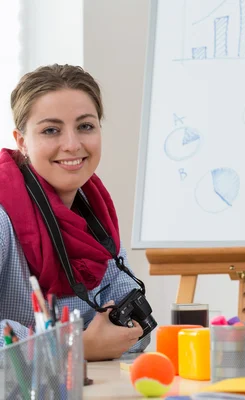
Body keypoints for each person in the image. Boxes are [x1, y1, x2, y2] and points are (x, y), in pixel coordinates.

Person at [0, 64, 150, 361]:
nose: (72, 145)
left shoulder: (95, 211)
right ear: (21, 141)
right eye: (51, 130)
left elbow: (135, 332)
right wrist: (71, 346)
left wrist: (98, 342)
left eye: (85, 126)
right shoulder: (3, 215)